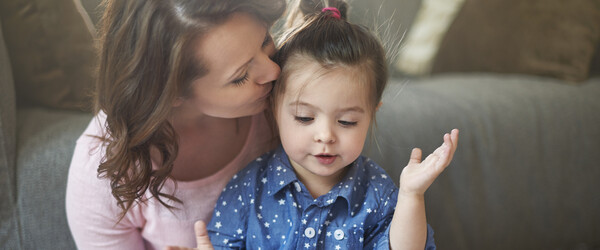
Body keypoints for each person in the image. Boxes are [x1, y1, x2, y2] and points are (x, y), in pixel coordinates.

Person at [203, 3, 459, 249]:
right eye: (304, 118)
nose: (325, 136)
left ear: (371, 115)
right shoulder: (249, 188)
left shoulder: (378, 194)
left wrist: (411, 195)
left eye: (347, 121)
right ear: (273, 110)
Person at [65, 0, 288, 249]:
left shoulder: (292, 97)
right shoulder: (102, 174)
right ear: (171, 93)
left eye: (265, 39)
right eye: (240, 77)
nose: (274, 71)